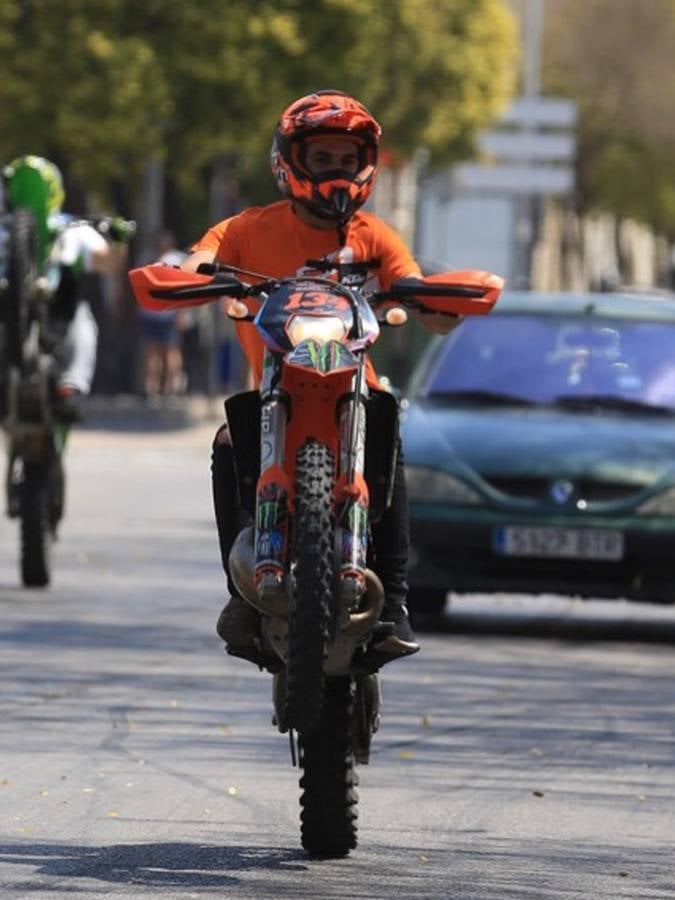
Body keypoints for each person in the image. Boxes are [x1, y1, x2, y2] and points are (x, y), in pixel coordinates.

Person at [178, 89, 465, 668]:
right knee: (228, 442)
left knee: (391, 426)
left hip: (356, 394)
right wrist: (186, 275)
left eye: (347, 158)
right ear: (290, 161)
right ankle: (239, 595)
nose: (336, 171)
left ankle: (397, 605)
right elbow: (197, 262)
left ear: (367, 164)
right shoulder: (246, 229)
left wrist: (439, 300)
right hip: (274, 394)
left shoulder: (376, 237)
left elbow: (418, 292)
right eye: (322, 158)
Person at [0, 156, 107, 425]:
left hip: (61, 303)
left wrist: (116, 240)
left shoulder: (73, 227)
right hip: (12, 304)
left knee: (83, 322)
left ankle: (71, 387)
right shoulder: (3, 227)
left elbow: (104, 259)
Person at [139, 231, 189, 399]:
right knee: (152, 353)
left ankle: (172, 388)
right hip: (151, 313)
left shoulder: (179, 259)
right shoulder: (148, 258)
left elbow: (185, 287)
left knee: (172, 352)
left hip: (171, 313)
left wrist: (182, 312)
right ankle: (151, 388)